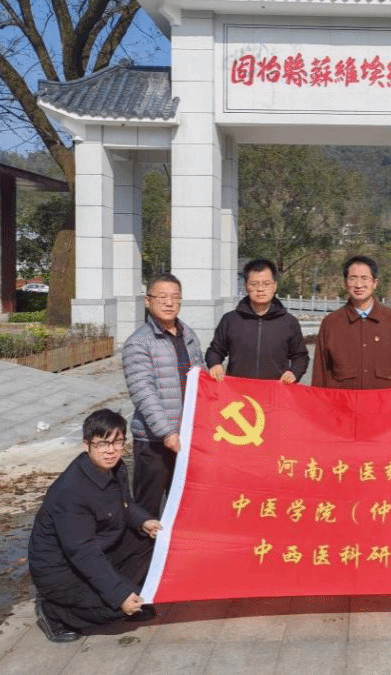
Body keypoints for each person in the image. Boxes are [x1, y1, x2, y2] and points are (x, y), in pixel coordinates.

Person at [29, 409, 162, 642]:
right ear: (86, 445)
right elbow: (83, 552)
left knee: (156, 541)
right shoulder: (71, 491)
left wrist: (144, 521)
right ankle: (53, 612)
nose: (111, 450)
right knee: (116, 607)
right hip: (60, 571)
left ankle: (129, 594)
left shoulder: (116, 467)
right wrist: (119, 594)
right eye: (102, 444)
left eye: (117, 442)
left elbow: (125, 504)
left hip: (99, 546)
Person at [122, 273, 203, 517]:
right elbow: (142, 392)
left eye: (175, 297)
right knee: (148, 511)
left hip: (186, 438)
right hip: (154, 442)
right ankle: (141, 545)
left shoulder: (189, 335)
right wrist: (166, 432)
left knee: (183, 507)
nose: (169, 303)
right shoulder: (139, 342)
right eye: (162, 297)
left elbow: (200, 380)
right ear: (148, 301)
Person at [312, 254, 391, 389]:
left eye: (364, 278)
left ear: (375, 283)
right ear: (345, 283)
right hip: (343, 400)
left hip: (383, 400)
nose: (359, 285)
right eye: (353, 278)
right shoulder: (331, 323)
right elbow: (320, 371)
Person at [205, 258, 309, 383]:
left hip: (275, 390)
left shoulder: (289, 322)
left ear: (275, 286)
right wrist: (215, 364)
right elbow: (215, 351)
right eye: (254, 284)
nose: (260, 289)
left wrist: (294, 372)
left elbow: (300, 356)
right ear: (246, 286)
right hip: (238, 390)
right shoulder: (230, 320)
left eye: (266, 284)